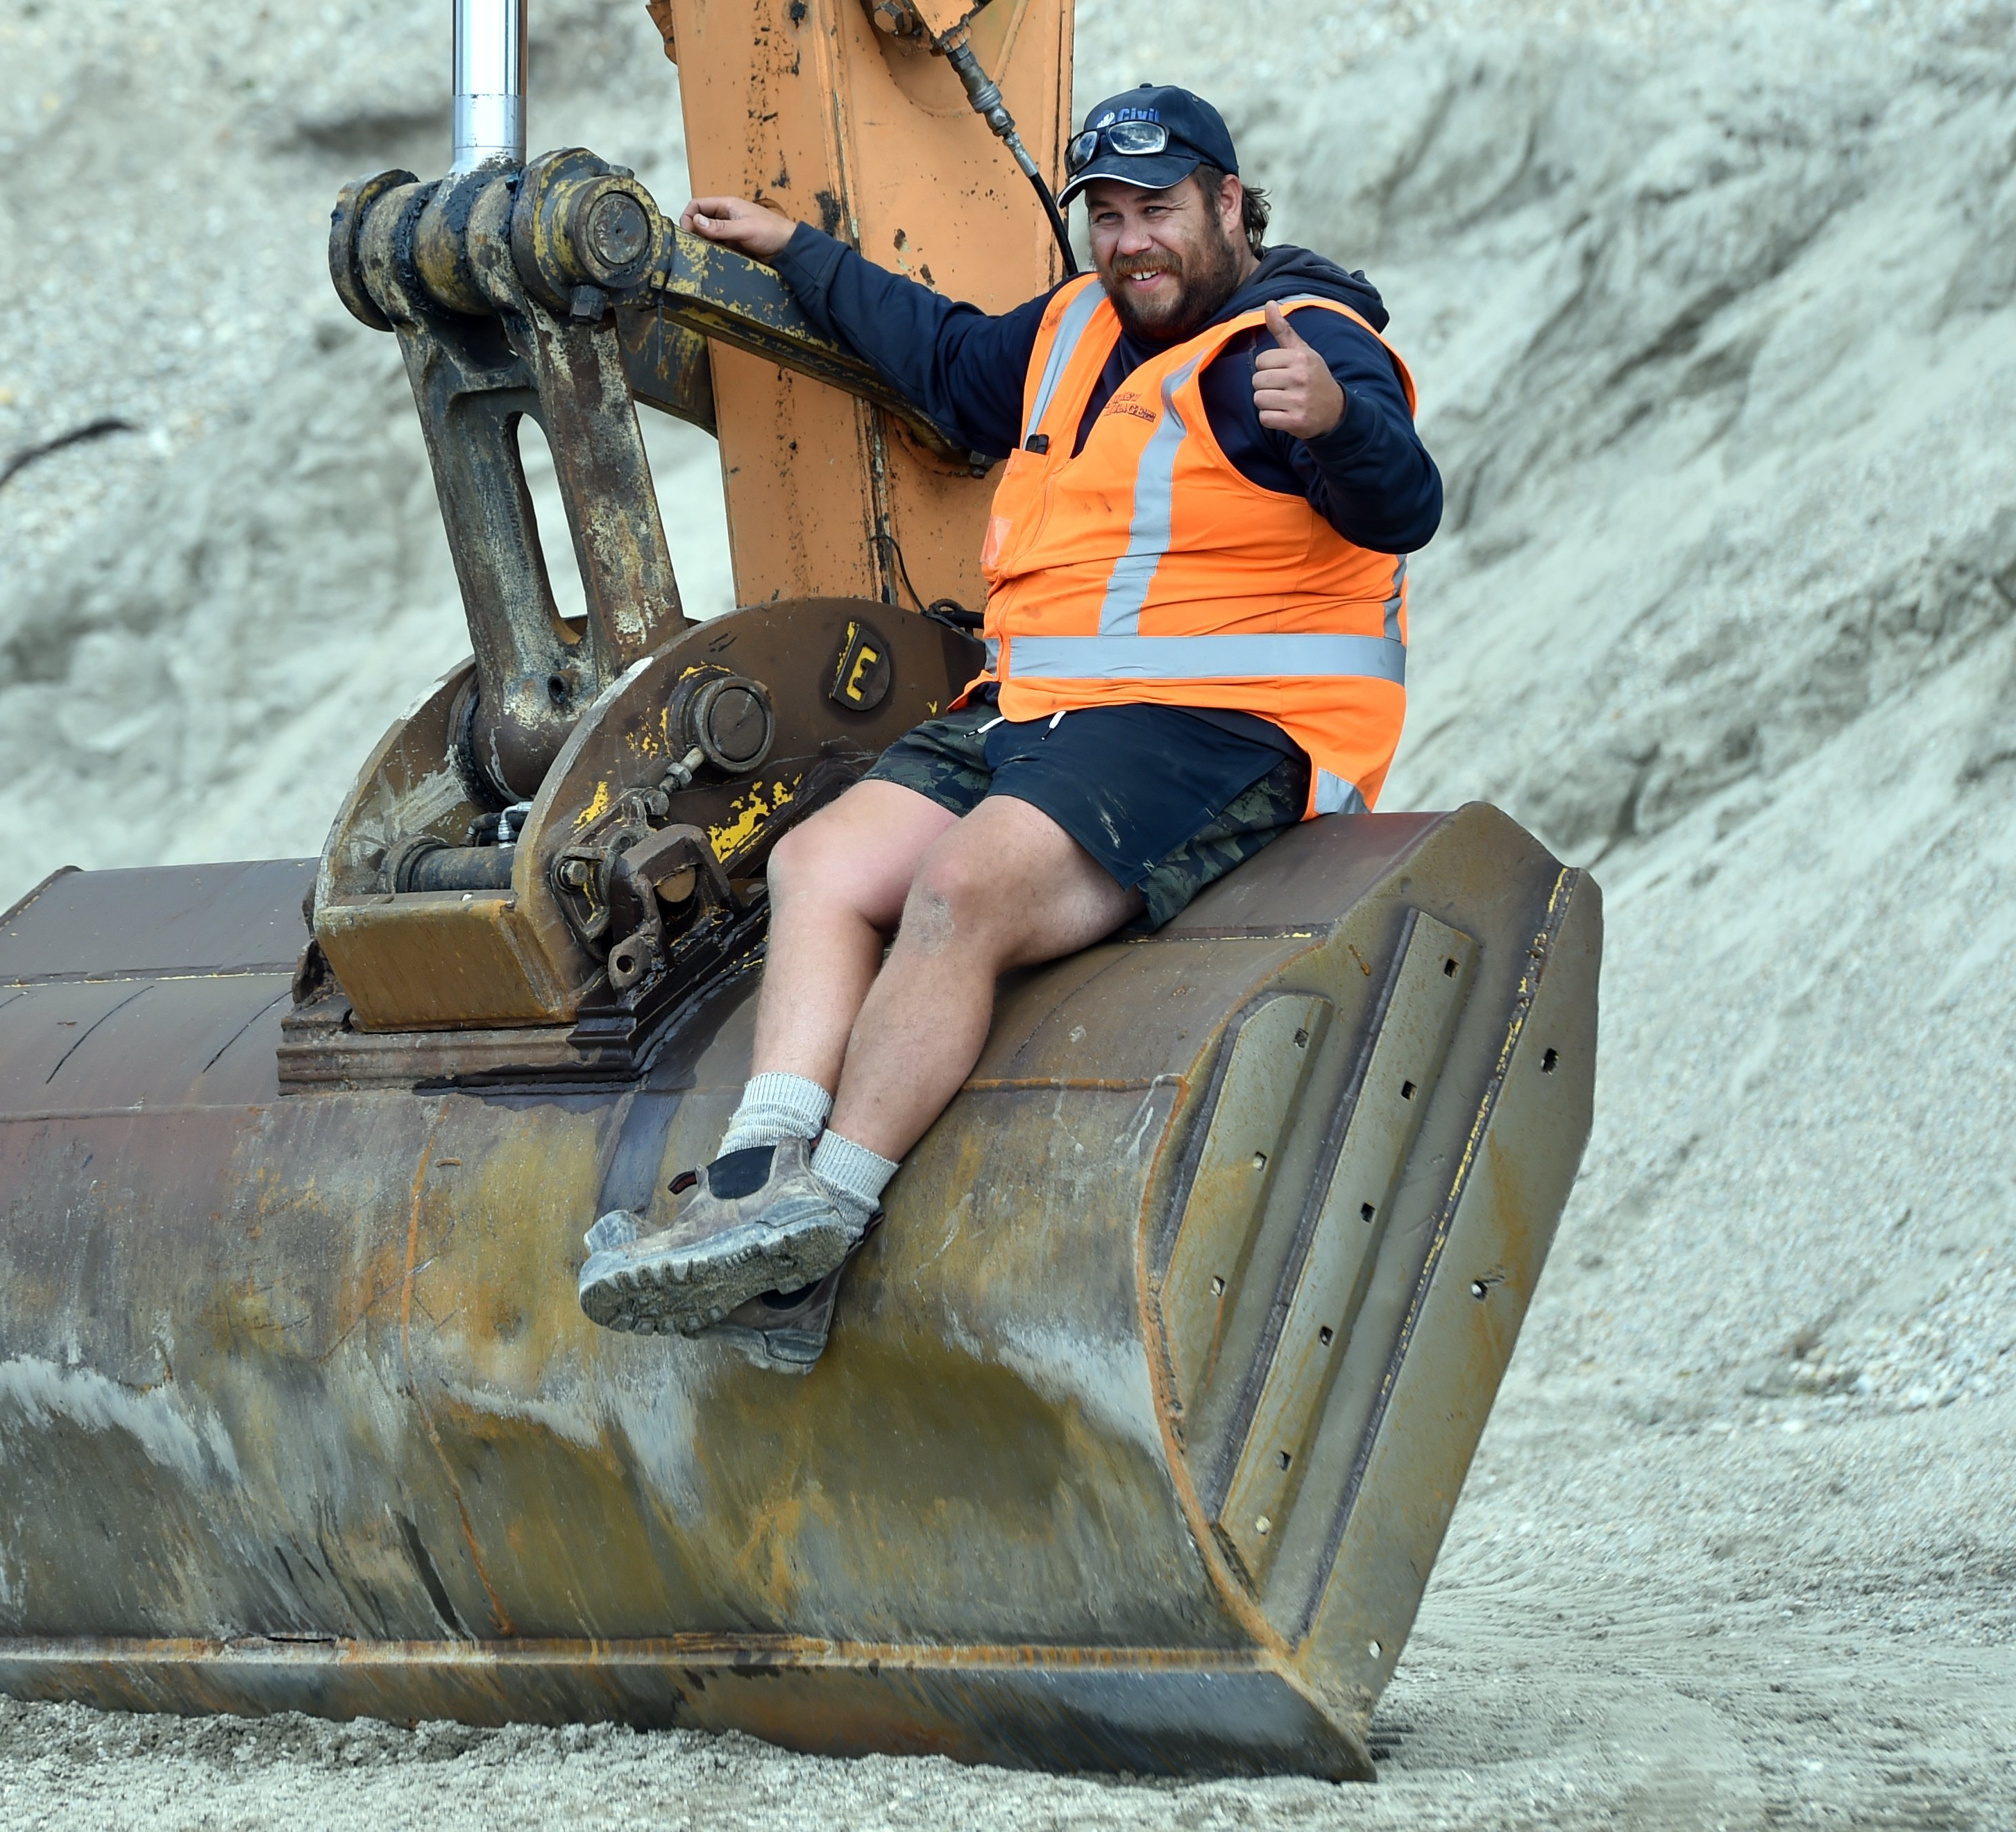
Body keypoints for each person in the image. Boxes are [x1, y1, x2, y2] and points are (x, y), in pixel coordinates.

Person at [576, 85, 1443, 1368]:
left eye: (1158, 210)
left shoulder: (1301, 346)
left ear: (1228, 202)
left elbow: (1402, 504)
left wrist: (1342, 423)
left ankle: (829, 1209)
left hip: (1223, 725)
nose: (1130, 240)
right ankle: (757, 1186)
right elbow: (939, 356)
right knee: (819, 864)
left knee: (957, 893)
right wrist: (794, 252)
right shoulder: (1079, 327)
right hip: (1041, 713)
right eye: (1106, 215)